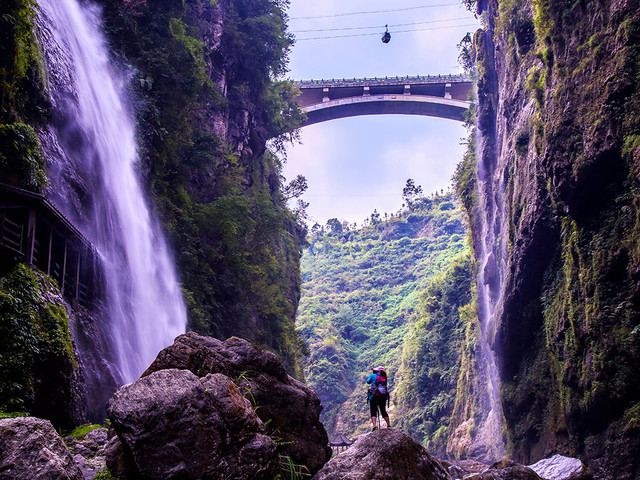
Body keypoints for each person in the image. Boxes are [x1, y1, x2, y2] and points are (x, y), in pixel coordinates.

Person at [366, 366, 390, 431]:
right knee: (383, 410)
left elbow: (368, 381)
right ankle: (388, 425)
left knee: (373, 410)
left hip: (374, 395)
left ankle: (374, 426)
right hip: (383, 396)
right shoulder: (384, 377)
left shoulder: (373, 375)